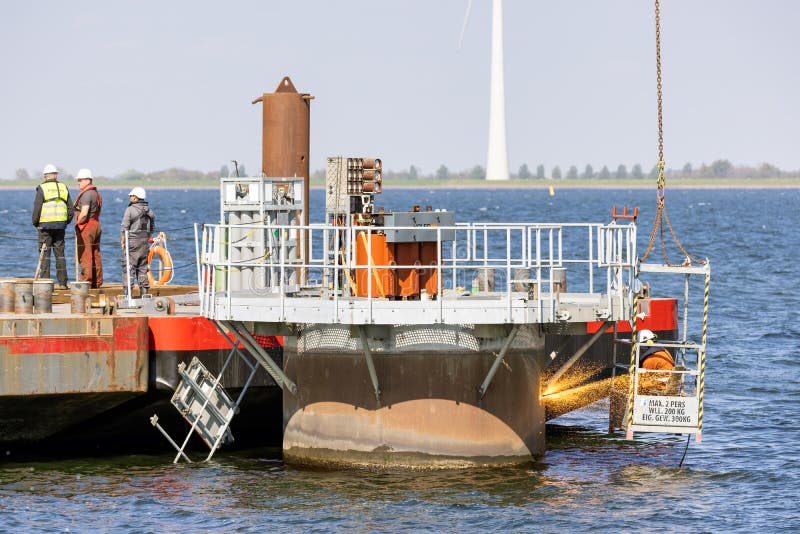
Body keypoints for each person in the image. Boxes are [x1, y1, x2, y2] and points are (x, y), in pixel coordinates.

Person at [31, 164, 74, 288]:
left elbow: (37, 208)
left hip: (45, 227)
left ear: (45, 176)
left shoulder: (42, 188)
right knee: (60, 255)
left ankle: (45, 283)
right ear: (56, 175)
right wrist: (66, 222)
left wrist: (35, 223)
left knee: (45, 255)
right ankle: (63, 283)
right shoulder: (63, 187)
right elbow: (70, 209)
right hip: (60, 226)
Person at [120, 187, 155, 297]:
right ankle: (144, 293)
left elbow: (124, 226)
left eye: (131, 195)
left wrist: (122, 240)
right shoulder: (149, 211)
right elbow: (152, 228)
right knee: (143, 267)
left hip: (132, 242)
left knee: (129, 267)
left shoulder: (130, 210)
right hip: (144, 243)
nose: (130, 197)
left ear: (136, 197)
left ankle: (127, 294)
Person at [73, 168, 103, 288]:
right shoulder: (95, 193)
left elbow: (84, 213)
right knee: (96, 254)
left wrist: (77, 224)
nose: (78, 182)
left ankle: (86, 282)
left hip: (87, 225)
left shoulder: (86, 194)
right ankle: (97, 281)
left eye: (80, 180)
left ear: (87, 180)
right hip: (96, 224)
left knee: (85, 254)